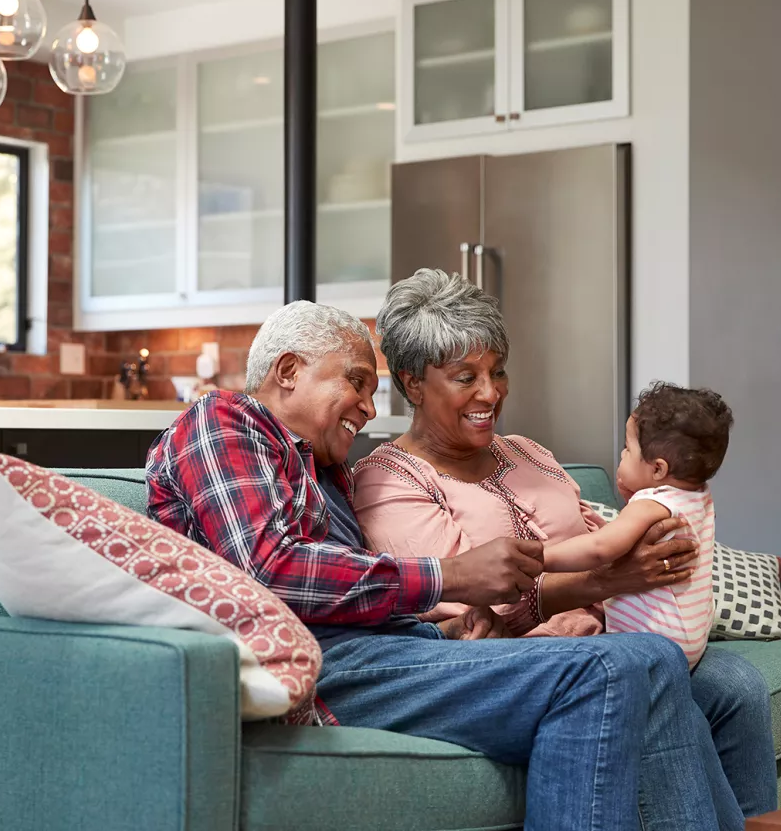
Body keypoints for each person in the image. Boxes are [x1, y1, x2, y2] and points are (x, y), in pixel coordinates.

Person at [146, 300, 747, 831]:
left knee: (656, 661)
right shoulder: (222, 422)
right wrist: (451, 578)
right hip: (318, 667)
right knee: (612, 670)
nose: (365, 404)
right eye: (356, 382)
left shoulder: (319, 468)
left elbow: (355, 584)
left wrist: (446, 620)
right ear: (287, 372)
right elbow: (272, 569)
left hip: (385, 649)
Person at [352, 268, 776, 818]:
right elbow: (468, 601)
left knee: (738, 684)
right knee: (653, 686)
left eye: (497, 371)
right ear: (412, 383)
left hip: (610, 630)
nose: (490, 392)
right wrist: (605, 584)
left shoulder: (528, 451)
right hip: (529, 659)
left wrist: (647, 560)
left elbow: (598, 533)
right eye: (465, 377)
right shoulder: (389, 481)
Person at [542, 382, 731, 669]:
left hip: (650, 643)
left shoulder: (651, 504)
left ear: (658, 469)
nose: (621, 455)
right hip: (689, 640)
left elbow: (600, 548)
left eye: (627, 449)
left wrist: (542, 557)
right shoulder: (698, 496)